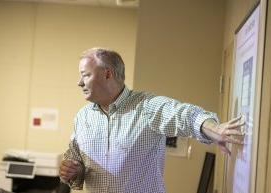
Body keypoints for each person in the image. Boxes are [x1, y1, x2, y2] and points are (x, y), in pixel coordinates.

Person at [59, 48, 245, 193]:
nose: (79, 82)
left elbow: (185, 115)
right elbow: (75, 160)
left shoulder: (146, 107)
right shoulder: (83, 117)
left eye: (85, 75)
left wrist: (215, 129)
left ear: (108, 74)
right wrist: (74, 170)